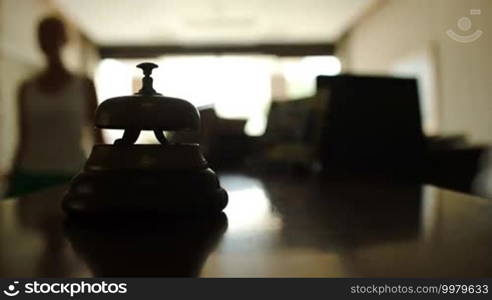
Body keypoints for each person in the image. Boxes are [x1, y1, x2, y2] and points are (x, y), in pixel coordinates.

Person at [8, 16, 103, 196]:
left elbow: (98, 135)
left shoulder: (84, 85)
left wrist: (106, 173)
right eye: (44, 36)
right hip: (29, 175)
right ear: (39, 42)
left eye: (54, 35)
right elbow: (23, 137)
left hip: (71, 174)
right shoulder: (26, 89)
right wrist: (13, 175)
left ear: (65, 39)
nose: (50, 41)